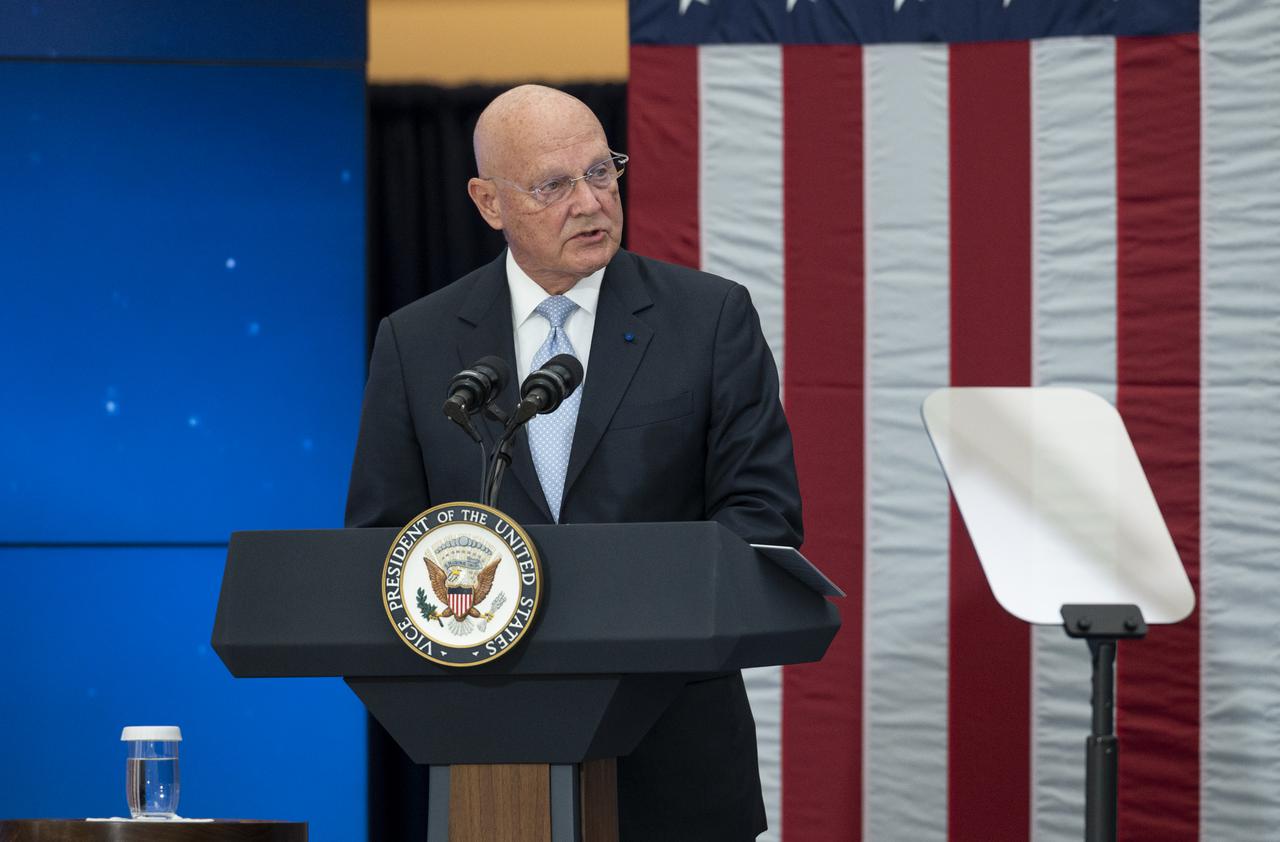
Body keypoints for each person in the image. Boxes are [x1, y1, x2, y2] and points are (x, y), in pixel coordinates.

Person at [346, 84, 802, 841]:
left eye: (601, 172)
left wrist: (622, 603)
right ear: (489, 202)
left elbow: (762, 517)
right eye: (554, 185)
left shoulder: (709, 319)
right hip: (490, 758)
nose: (590, 203)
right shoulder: (417, 342)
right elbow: (383, 537)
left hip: (675, 752)